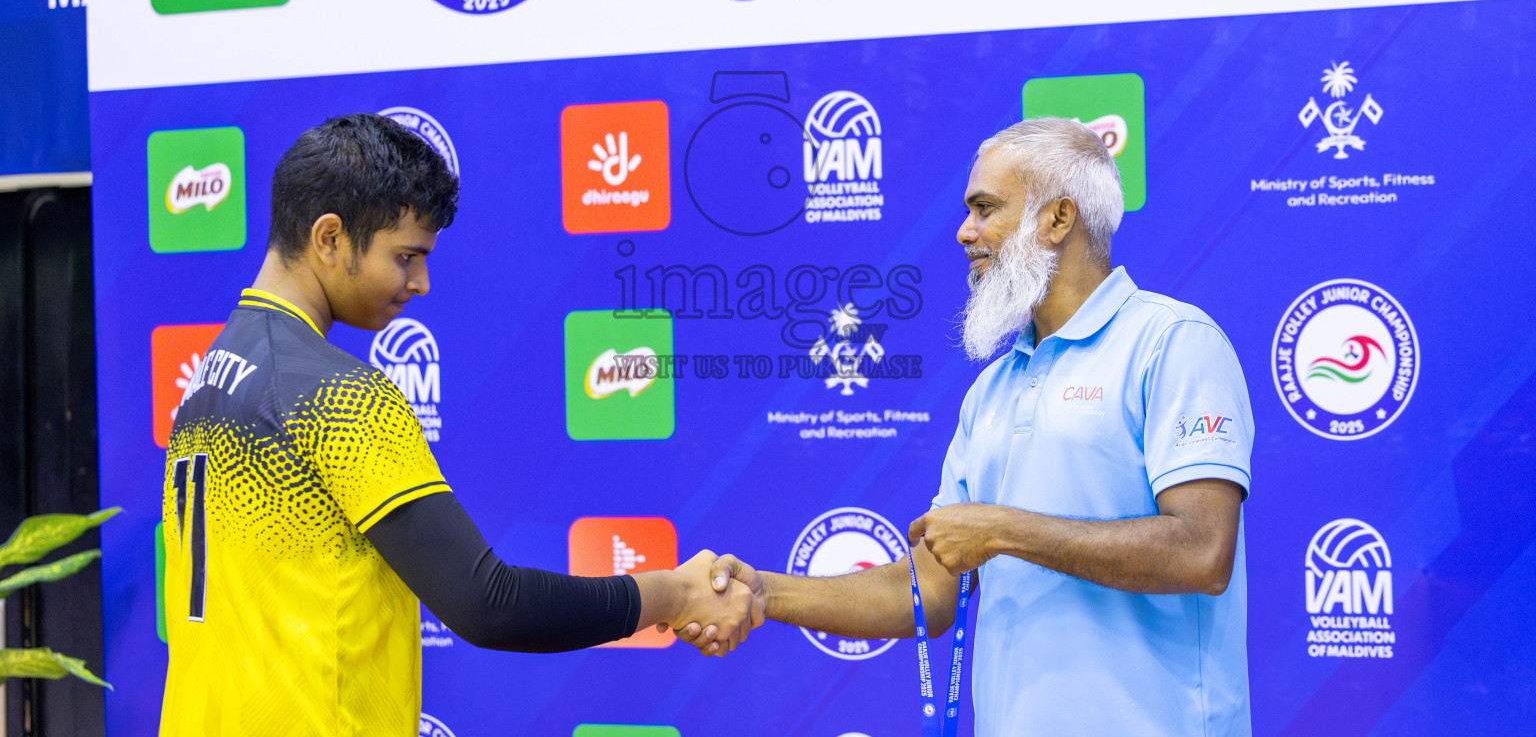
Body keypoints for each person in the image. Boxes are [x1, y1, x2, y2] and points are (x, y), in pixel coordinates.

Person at [159, 113, 757, 737]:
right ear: (329, 237)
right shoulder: (338, 397)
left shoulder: (212, 372)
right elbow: (490, 605)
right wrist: (673, 594)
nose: (420, 283)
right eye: (406, 257)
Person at [691, 117, 1254, 737]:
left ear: (1058, 219)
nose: (964, 231)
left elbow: (1203, 553)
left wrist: (1001, 530)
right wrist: (766, 594)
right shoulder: (992, 388)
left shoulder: (1173, 342)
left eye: (985, 209)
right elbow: (931, 591)